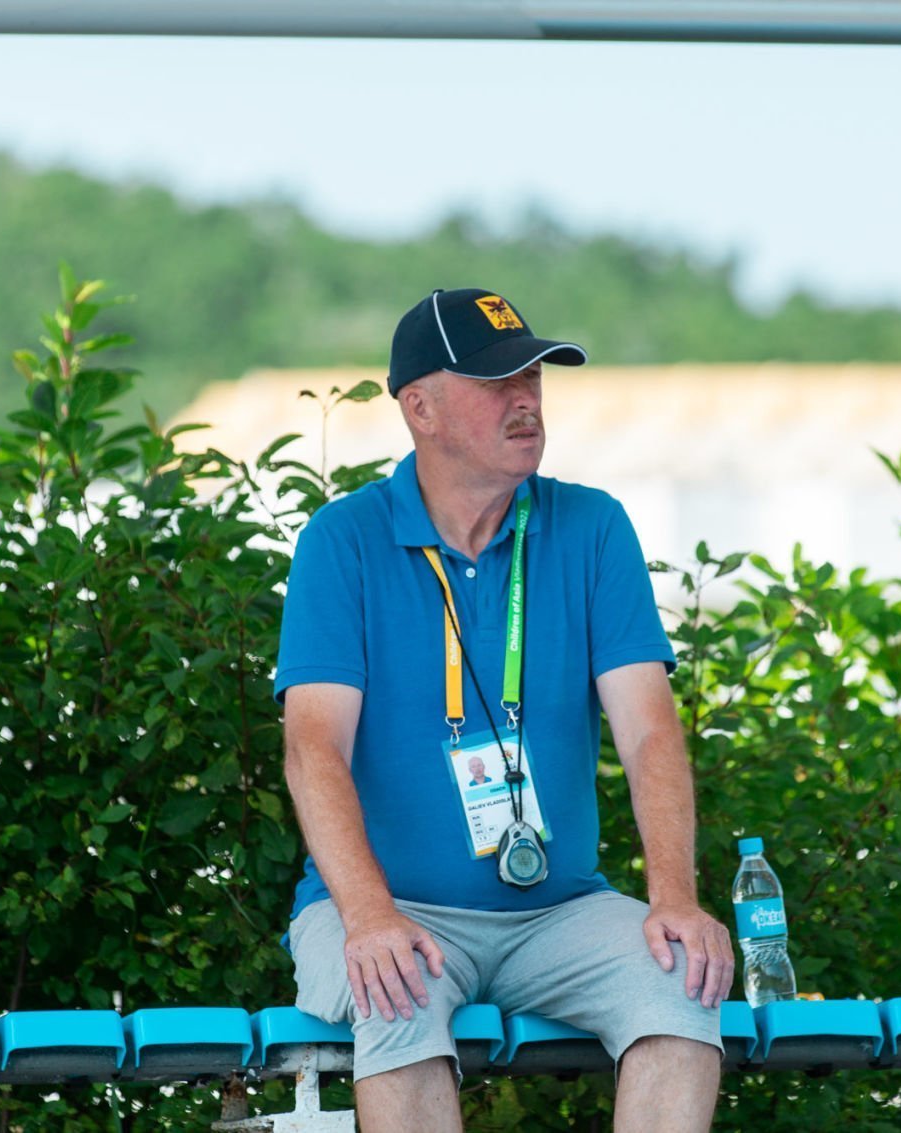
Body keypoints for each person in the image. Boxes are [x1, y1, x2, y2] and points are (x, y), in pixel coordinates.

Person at [276, 287, 733, 1133]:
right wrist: (369, 915)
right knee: (394, 987)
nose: (526, 398)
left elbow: (649, 731)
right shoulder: (342, 540)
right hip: (387, 907)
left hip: (559, 911)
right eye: (496, 381)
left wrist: (674, 896)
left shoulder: (593, 526)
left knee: (682, 978)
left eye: (534, 376)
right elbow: (314, 750)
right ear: (420, 408)